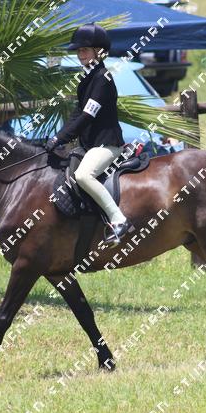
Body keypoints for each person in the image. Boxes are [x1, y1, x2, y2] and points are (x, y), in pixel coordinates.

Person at [45, 22, 133, 247]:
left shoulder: (103, 78)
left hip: (107, 145)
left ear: (99, 51)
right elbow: (77, 113)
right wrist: (57, 137)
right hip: (90, 145)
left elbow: (87, 116)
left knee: (84, 175)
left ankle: (119, 219)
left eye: (85, 50)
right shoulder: (87, 78)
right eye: (79, 50)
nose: (80, 54)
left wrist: (61, 139)